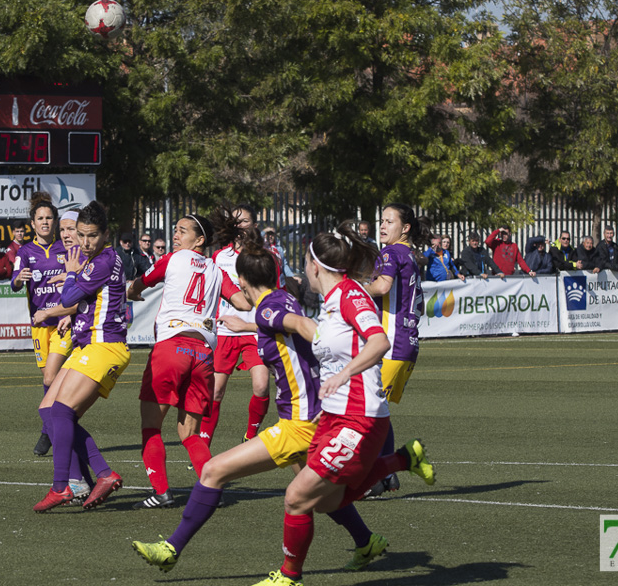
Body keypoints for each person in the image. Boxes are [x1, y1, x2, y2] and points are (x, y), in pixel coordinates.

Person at [131, 234, 394, 574]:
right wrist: (248, 323)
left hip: (300, 421)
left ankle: (171, 548)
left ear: (242, 280)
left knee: (214, 472)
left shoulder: (270, 306)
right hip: (312, 415)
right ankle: (366, 539)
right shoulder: (279, 300)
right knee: (319, 495)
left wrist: (330, 348)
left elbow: (301, 325)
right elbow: (281, 320)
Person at [248, 221, 435, 586]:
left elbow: (378, 341)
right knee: (329, 501)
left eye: (304, 262)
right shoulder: (331, 302)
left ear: (315, 266)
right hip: (335, 416)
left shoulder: (350, 295)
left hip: (359, 416)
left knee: (297, 495)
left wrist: (343, 374)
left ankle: (289, 578)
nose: (303, 269)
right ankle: (403, 459)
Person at [126, 212, 252, 509]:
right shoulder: (216, 271)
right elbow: (243, 303)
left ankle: (161, 492)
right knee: (190, 433)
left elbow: (140, 284)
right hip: (202, 356)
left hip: (172, 347)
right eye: (176, 230)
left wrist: (133, 291)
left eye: (182, 231)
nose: (175, 235)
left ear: (199, 240)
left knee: (151, 426)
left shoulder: (173, 259)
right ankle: (211, 493)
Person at [31, 201, 131, 512]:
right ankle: (100, 474)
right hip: (89, 344)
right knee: (48, 410)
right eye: (81, 234)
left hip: (105, 345)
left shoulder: (101, 262)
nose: (85, 242)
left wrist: (71, 275)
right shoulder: (96, 259)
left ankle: (63, 485)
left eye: (92, 236)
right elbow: (81, 299)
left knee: (61, 411)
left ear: (106, 234)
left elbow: (71, 297)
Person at [361, 204, 430, 498]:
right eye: (382, 221)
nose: (383, 225)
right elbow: (421, 304)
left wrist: (352, 288)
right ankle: (388, 474)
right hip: (407, 343)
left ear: (405, 228)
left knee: (366, 412)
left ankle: (373, 477)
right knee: (380, 410)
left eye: (390, 221)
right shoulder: (411, 256)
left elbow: (382, 285)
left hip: (390, 343)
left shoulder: (391, 253)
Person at [13, 193, 74, 461]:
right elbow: (14, 282)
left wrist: (70, 312)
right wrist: (19, 279)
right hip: (39, 325)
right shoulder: (25, 252)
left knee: (51, 378)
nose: (45, 222)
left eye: (49, 218)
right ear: (33, 223)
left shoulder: (66, 249)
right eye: (40, 218)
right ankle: (53, 427)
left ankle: (50, 430)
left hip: (62, 322)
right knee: (48, 380)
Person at [206, 203, 273, 446]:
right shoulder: (219, 257)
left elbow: (277, 292)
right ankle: (202, 446)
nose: (239, 225)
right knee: (215, 392)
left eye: (244, 221)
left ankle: (250, 437)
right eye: (235, 221)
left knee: (261, 386)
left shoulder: (265, 257)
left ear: (254, 226)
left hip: (255, 331)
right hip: (224, 331)